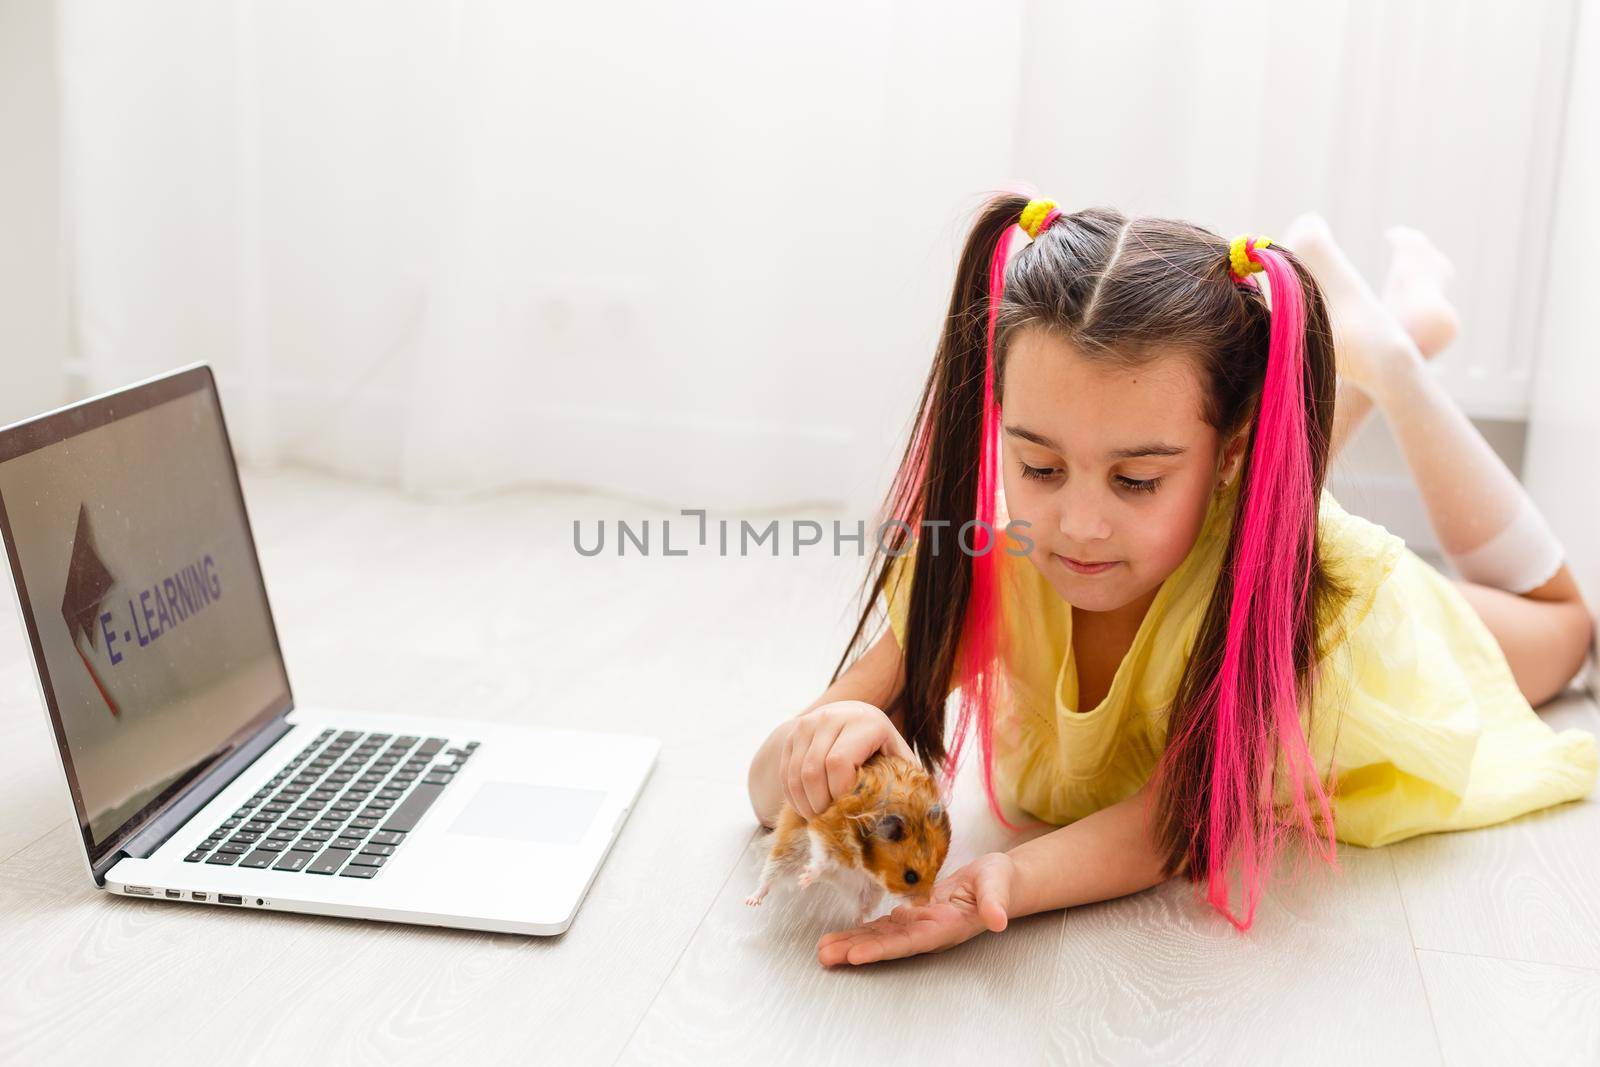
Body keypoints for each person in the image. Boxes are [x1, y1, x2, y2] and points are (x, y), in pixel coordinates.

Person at [744, 194, 1597, 965]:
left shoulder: (1310, 595)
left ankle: (1395, 359)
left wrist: (1002, 881)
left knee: (1564, 624)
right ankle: (1373, 346)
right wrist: (816, 740)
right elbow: (761, 790)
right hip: (1230, 532)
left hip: (1332, 619)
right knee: (1198, 524)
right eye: (1039, 465)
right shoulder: (989, 557)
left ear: (1231, 455)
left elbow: (1171, 821)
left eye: (1135, 480)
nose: (1077, 524)